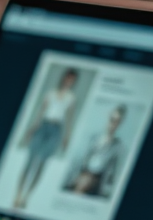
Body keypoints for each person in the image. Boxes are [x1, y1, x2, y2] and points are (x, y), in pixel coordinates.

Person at [14, 68, 80, 209]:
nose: (69, 81)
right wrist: (32, 128)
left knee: (41, 164)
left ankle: (26, 197)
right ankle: (18, 195)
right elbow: (41, 112)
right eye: (68, 78)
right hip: (43, 125)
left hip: (56, 130)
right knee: (29, 161)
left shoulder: (71, 98)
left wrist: (66, 137)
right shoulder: (50, 93)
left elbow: (69, 119)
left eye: (72, 80)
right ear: (64, 77)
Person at [65, 104, 128, 198]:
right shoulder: (93, 139)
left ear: (120, 124)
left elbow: (113, 173)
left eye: (117, 122)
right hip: (83, 172)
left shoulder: (118, 147)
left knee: (84, 184)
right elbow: (78, 160)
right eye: (112, 119)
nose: (113, 124)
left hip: (97, 178)